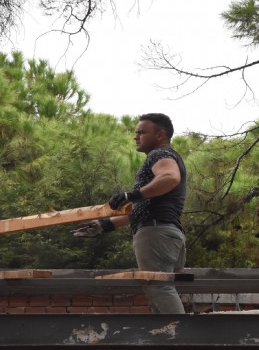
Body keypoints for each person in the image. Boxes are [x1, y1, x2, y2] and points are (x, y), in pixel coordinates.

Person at [73, 113, 187, 314]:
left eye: (142, 132)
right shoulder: (164, 159)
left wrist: (132, 194)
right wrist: (105, 225)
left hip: (155, 233)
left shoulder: (159, 155)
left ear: (160, 135)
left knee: (158, 286)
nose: (136, 137)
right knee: (160, 288)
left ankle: (179, 338)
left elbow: (170, 177)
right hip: (167, 234)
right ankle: (168, 337)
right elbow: (143, 209)